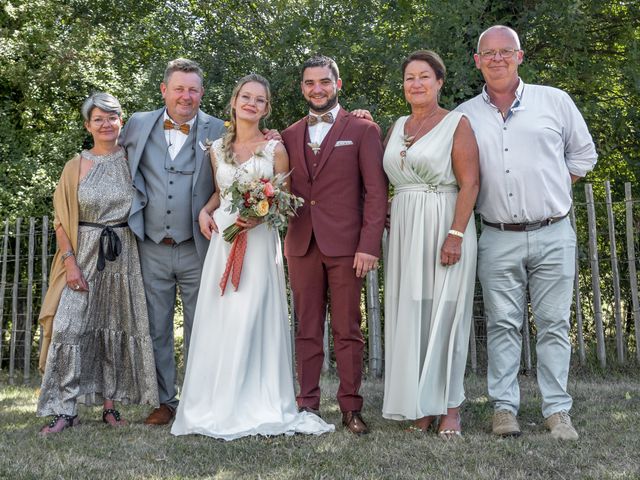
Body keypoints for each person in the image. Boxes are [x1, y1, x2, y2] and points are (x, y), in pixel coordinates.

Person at [171, 74, 333, 440]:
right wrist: (204, 212)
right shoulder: (214, 149)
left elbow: (286, 200)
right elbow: (220, 193)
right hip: (224, 241)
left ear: (266, 108)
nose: (252, 104)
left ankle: (256, 401)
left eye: (260, 100)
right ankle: (217, 402)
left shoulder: (274, 148)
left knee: (252, 314)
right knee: (222, 317)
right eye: (246, 97)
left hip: (259, 242)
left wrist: (260, 215)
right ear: (234, 101)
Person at [456, 25, 597, 440]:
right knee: (502, 324)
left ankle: (557, 411)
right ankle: (504, 409)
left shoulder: (554, 101)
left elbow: (583, 154)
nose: (497, 59)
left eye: (506, 51)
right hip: (497, 235)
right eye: (489, 53)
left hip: (553, 231)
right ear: (477, 61)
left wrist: (551, 191)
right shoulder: (465, 114)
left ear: (520, 56)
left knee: (554, 323)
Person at [37, 93, 158, 434]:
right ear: (88, 125)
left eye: (112, 118)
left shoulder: (133, 159)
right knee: (68, 327)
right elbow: (61, 219)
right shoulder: (76, 164)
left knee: (114, 328)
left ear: (122, 121)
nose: (106, 124)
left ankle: (111, 406)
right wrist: (70, 263)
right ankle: (64, 409)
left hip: (124, 256)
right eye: (99, 119)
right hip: (84, 253)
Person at [282, 55, 388, 435]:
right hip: (301, 243)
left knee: (347, 328)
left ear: (337, 84)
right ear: (302, 88)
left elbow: (376, 193)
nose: (317, 89)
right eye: (310, 83)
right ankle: (307, 405)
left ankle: (350, 407)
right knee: (306, 328)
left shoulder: (362, 129)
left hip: (347, 246)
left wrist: (369, 245)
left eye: (324, 81)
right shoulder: (288, 135)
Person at [120, 58, 226, 425]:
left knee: (204, 325)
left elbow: (250, 154)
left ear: (202, 93)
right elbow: (110, 156)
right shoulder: (136, 124)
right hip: (150, 246)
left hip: (200, 246)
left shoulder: (220, 128)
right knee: (155, 327)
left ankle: (199, 402)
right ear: (164, 90)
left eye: (193, 89)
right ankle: (164, 401)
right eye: (179, 88)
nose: (186, 96)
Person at [381, 50, 479, 438]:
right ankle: (421, 408)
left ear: (440, 82)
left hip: (444, 223)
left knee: (447, 314)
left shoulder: (457, 123)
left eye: (424, 76)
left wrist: (455, 234)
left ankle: (451, 407)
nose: (416, 84)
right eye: (409, 78)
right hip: (406, 227)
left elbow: (470, 183)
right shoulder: (397, 125)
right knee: (414, 313)